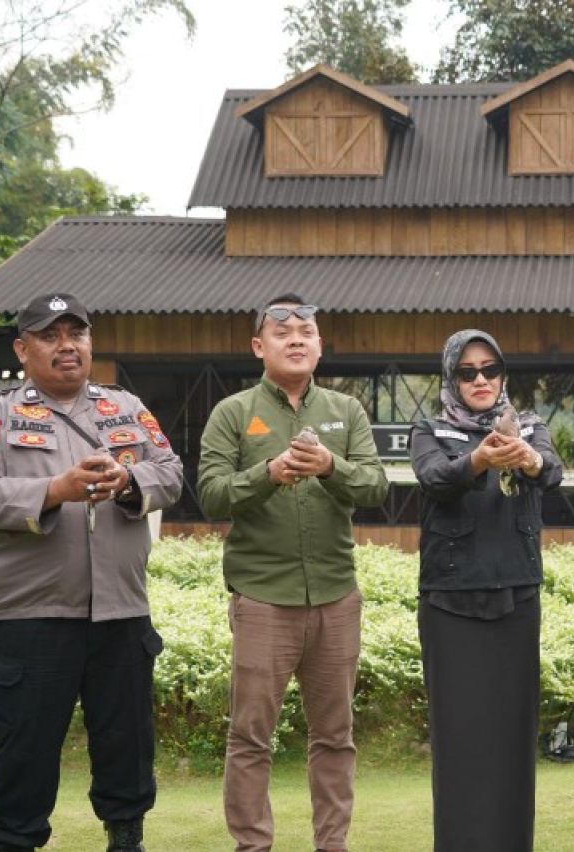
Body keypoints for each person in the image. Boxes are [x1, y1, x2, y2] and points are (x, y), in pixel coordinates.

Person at [0, 293, 183, 852]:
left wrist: (129, 485)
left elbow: (171, 471)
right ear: (22, 348)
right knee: (24, 752)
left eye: (76, 334)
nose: (67, 347)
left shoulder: (124, 407)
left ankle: (126, 839)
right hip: (31, 615)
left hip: (121, 611)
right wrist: (54, 491)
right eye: (50, 336)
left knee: (128, 749)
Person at [197, 293, 388, 852]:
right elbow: (209, 495)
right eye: (283, 333)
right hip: (262, 599)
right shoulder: (232, 413)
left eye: (307, 331)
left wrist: (331, 467)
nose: (297, 339)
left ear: (320, 345)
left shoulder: (346, 412)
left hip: (336, 595)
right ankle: (253, 846)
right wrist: (269, 472)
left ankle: (333, 844)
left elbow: (376, 488)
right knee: (250, 737)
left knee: (335, 737)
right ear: (260, 346)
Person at [408, 329, 563, 852]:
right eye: (467, 371)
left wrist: (527, 458)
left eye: (489, 370)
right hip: (450, 601)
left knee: (512, 738)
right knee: (460, 739)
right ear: (451, 378)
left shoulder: (531, 427)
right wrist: (478, 461)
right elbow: (434, 479)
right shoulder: (430, 427)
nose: (479, 380)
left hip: (517, 597)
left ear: (502, 375)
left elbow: (552, 470)